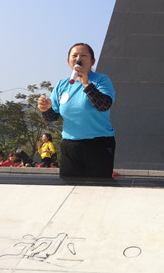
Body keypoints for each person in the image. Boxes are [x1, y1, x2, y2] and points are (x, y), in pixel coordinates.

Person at [38, 42, 115, 178]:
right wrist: (46, 109)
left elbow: (103, 105)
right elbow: (52, 117)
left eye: (83, 55)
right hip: (70, 146)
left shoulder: (101, 80)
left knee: (98, 187)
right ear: (68, 61)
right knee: (69, 186)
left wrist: (86, 83)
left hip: (99, 145)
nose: (78, 59)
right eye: (74, 56)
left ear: (92, 61)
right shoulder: (62, 85)